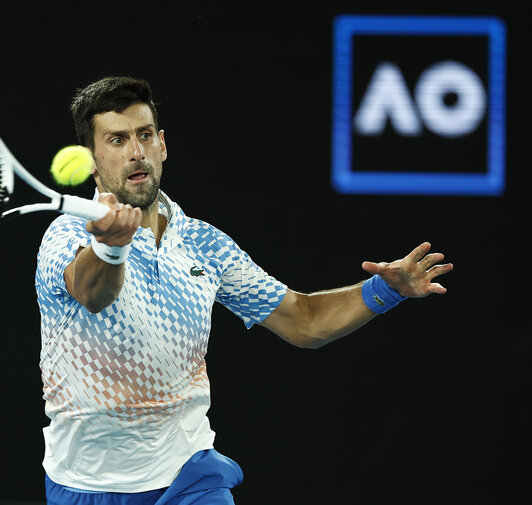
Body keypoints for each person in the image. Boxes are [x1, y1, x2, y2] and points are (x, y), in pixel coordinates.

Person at [34, 76, 453, 505]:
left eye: (144, 136)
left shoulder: (206, 245)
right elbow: (92, 293)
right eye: (118, 140)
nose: (136, 152)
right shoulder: (67, 236)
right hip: (87, 483)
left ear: (162, 145)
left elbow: (303, 321)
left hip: (189, 474)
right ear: (91, 159)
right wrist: (108, 246)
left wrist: (384, 290)